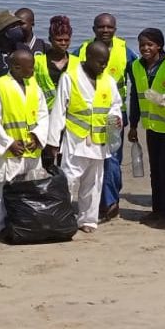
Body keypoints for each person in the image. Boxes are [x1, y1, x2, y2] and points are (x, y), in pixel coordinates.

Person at [45, 41, 121, 233]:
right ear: (88, 58)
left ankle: (88, 219)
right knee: (69, 179)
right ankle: (63, 216)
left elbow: (115, 105)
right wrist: (53, 142)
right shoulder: (70, 78)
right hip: (75, 138)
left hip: (99, 139)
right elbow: (59, 110)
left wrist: (117, 118)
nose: (103, 66)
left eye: (106, 62)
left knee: (93, 181)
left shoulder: (108, 81)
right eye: (99, 62)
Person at [78, 13, 137, 221]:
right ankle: (97, 201)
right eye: (101, 27)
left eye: (109, 27)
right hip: (88, 116)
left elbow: (138, 79)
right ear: (93, 29)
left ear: (115, 29)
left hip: (114, 116)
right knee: (92, 160)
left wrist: (135, 119)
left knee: (112, 159)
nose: (105, 30)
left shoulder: (124, 51)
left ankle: (110, 202)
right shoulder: (82, 51)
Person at [0, 50, 50, 230]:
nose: (33, 70)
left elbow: (43, 114)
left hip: (31, 148)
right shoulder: (0, 85)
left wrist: (37, 136)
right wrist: (8, 143)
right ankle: (3, 224)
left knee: (31, 186)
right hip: (10, 150)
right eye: (30, 67)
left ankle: (27, 223)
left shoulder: (34, 85)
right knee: (5, 187)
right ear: (16, 67)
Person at [127, 29, 165, 229]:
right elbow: (135, 96)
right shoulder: (135, 66)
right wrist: (133, 125)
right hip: (151, 126)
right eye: (142, 45)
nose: (145, 48)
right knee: (155, 172)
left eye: (150, 44)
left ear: (159, 45)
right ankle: (156, 211)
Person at [34, 16, 78, 110]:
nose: (63, 43)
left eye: (66, 40)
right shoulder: (38, 62)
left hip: (69, 112)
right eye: (59, 40)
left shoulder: (76, 62)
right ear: (50, 39)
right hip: (44, 112)